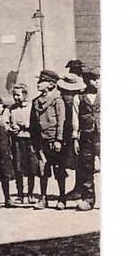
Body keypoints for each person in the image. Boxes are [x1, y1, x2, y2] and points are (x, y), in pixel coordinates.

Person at [29, 70, 68, 209]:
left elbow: (61, 122)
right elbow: (33, 125)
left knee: (59, 170)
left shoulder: (58, 101)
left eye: (41, 81)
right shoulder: (35, 102)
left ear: (51, 84)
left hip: (54, 141)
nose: (38, 84)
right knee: (42, 170)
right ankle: (43, 198)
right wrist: (34, 143)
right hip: (41, 142)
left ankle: (62, 198)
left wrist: (59, 139)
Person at [72, 68, 100, 210]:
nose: (98, 82)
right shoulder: (79, 97)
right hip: (86, 137)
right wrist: (75, 138)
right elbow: (75, 118)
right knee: (86, 167)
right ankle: (88, 199)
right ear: (87, 80)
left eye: (99, 79)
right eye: (95, 79)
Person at [7, 83, 39, 204]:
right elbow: (5, 124)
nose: (16, 97)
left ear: (25, 95)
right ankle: (20, 194)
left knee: (31, 167)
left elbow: (37, 123)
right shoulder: (11, 109)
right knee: (18, 167)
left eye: (18, 95)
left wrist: (28, 126)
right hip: (17, 141)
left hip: (30, 140)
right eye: (14, 95)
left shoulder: (32, 107)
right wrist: (11, 128)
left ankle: (30, 194)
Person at [57, 70, 85, 199]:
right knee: (76, 161)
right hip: (71, 131)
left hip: (70, 132)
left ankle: (79, 189)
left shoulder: (69, 99)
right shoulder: (76, 97)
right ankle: (79, 188)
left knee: (76, 161)